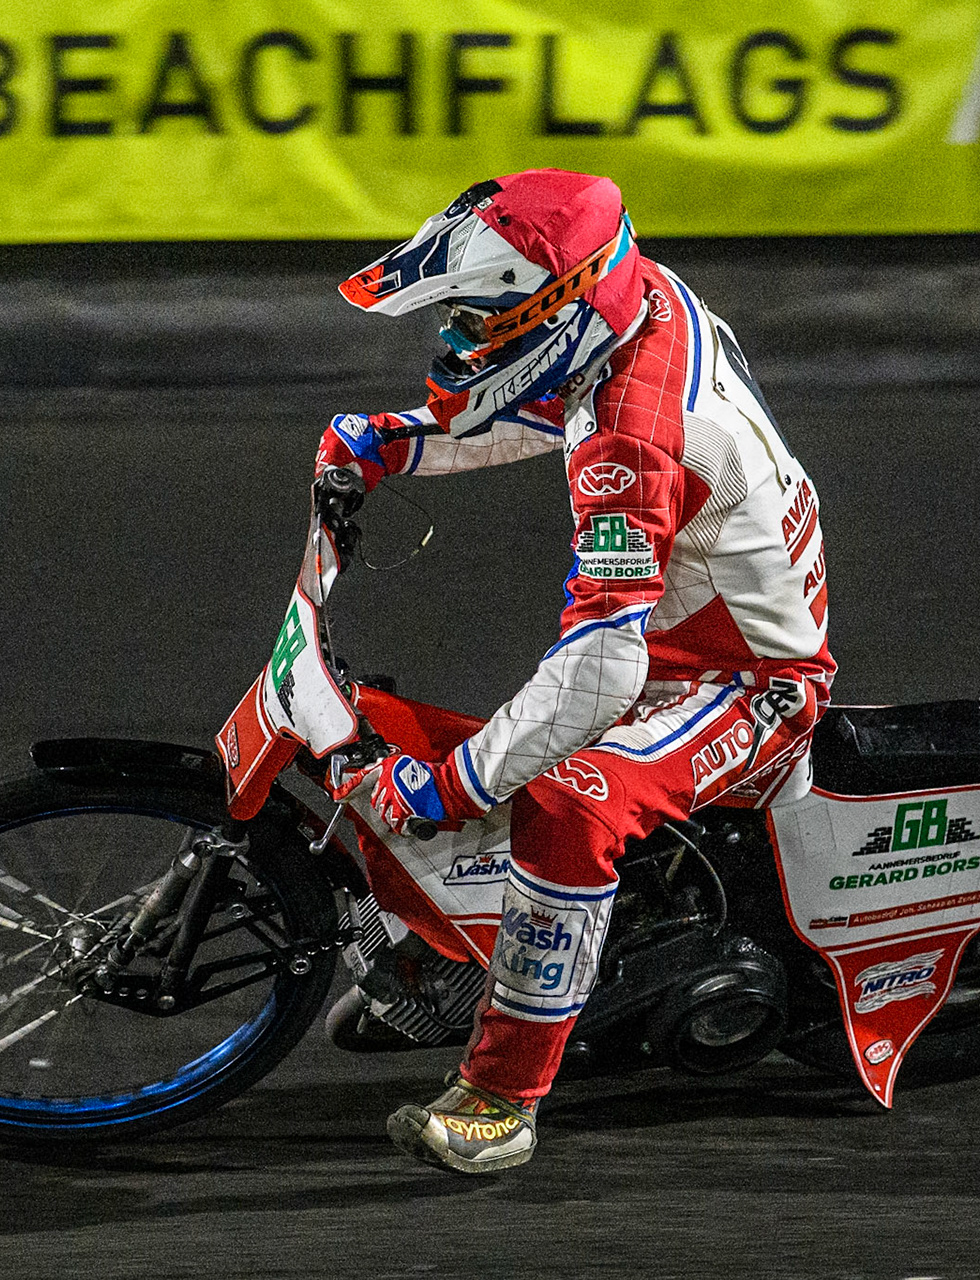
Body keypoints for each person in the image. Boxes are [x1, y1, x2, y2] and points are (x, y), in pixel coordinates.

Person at [317, 169, 835, 1173]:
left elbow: (604, 666)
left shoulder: (630, 441)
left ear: (559, 306)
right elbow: (558, 403)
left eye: (477, 316)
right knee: (498, 729)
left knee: (562, 800)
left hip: (745, 678)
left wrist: (453, 783)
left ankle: (503, 1095)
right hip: (701, 611)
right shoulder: (636, 293)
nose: (459, 338)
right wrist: (404, 443)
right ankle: (459, 944)